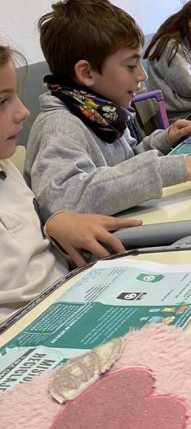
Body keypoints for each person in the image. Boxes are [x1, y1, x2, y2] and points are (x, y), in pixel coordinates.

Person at [24, 0, 191, 220]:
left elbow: (126, 163)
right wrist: (169, 170)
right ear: (86, 73)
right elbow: (63, 200)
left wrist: (166, 140)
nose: (142, 75)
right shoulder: (60, 125)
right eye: (131, 65)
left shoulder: (101, 112)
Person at [0, 41, 144, 324]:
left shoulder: (4, 164)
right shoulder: (59, 125)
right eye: (2, 101)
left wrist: (53, 224)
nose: (23, 112)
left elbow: (27, 248)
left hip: (69, 298)